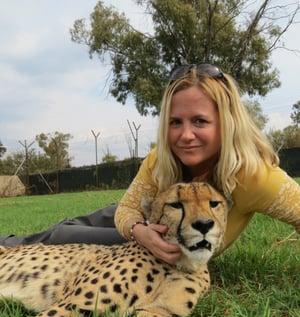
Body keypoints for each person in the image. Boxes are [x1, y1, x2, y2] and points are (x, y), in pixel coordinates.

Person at [1, 64, 299, 263]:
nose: (185, 135)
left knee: (64, 237)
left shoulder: (256, 176)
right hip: (144, 221)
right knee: (66, 227)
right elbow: (127, 210)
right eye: (174, 122)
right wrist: (138, 231)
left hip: (165, 246)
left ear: (227, 123)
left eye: (200, 121)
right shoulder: (162, 157)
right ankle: (7, 245)